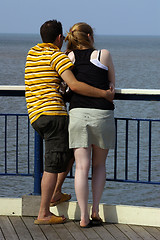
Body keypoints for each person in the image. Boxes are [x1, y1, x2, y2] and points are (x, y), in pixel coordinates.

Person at [24, 20, 114, 225]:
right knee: (52, 165)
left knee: (70, 154)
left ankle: (57, 194)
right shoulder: (57, 56)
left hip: (35, 114)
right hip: (53, 114)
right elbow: (74, 84)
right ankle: (44, 212)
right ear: (58, 39)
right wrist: (104, 93)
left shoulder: (32, 53)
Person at [65, 22, 115, 227]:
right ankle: (95, 210)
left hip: (77, 114)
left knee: (81, 168)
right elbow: (112, 86)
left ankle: (83, 217)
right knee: (99, 165)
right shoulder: (103, 54)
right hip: (102, 114)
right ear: (90, 36)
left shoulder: (69, 57)